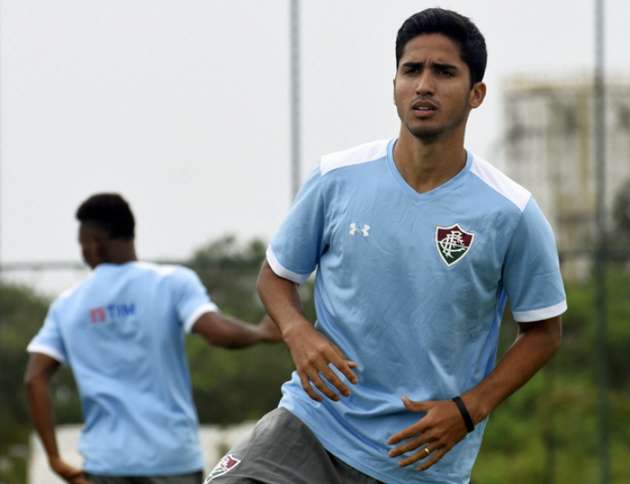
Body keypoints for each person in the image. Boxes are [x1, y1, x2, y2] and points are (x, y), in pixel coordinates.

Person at [209, 7, 566, 484]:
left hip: (417, 457)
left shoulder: (511, 212)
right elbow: (276, 275)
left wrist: (469, 409)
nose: (424, 85)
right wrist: (297, 331)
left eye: (444, 72)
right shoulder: (336, 178)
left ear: (476, 94)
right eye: (411, 69)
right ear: (395, 84)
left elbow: (543, 331)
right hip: (312, 423)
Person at [24, 193, 282, 484]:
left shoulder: (67, 304)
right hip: (171, 460)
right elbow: (215, 332)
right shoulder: (171, 282)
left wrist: (55, 458)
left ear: (95, 244)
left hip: (105, 464)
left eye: (83, 245)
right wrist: (260, 333)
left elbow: (35, 378)